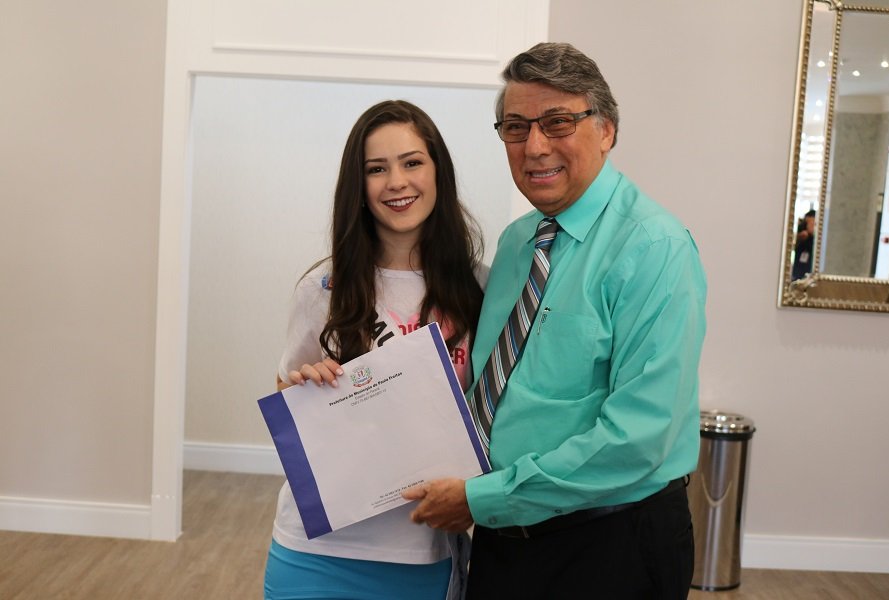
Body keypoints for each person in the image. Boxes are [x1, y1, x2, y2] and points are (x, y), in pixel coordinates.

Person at [402, 42, 707, 599]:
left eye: (559, 122)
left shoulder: (653, 247)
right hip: (503, 536)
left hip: (609, 543)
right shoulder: (517, 243)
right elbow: (490, 386)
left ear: (607, 130)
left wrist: (483, 498)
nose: (535, 146)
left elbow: (640, 437)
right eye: (516, 128)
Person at [263, 99, 485, 600]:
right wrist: (305, 386)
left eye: (412, 162)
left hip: (419, 552)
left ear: (438, 172)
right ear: (358, 187)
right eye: (376, 169)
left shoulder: (480, 290)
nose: (396, 182)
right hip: (313, 554)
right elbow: (286, 397)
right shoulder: (322, 289)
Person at [792, 209, 816, 280]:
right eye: (807, 223)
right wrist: (799, 237)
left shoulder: (817, 237)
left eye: (812, 224)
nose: (808, 226)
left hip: (810, 270)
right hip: (798, 269)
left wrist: (813, 233)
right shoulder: (801, 229)